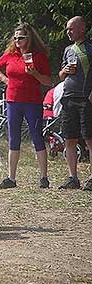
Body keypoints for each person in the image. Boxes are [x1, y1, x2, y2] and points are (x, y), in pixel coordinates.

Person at [0, 22, 52, 189]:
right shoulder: (11, 54)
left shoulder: (39, 56)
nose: (17, 40)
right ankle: (11, 178)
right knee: (13, 138)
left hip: (32, 102)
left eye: (21, 38)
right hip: (13, 101)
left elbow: (48, 81)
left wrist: (35, 74)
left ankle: (44, 177)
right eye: (15, 37)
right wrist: (5, 80)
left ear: (29, 38)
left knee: (37, 137)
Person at [58, 16, 92, 191]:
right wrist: (64, 70)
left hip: (86, 99)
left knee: (89, 139)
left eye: (71, 29)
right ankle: (73, 178)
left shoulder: (90, 48)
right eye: (67, 29)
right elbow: (61, 75)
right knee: (69, 139)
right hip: (68, 98)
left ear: (82, 28)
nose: (68, 32)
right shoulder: (68, 50)